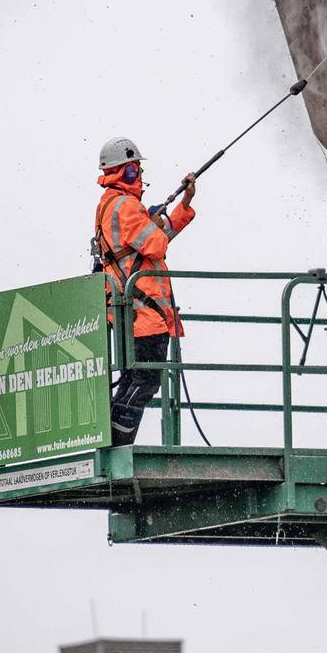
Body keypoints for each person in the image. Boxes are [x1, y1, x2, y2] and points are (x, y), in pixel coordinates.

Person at [92, 136, 197, 445]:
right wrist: (154, 220)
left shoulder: (117, 205)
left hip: (134, 312)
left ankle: (112, 438)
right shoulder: (125, 206)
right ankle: (116, 441)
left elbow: (150, 241)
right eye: (135, 167)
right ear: (125, 170)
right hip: (143, 313)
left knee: (134, 379)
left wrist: (183, 205)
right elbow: (156, 243)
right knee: (146, 379)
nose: (139, 173)